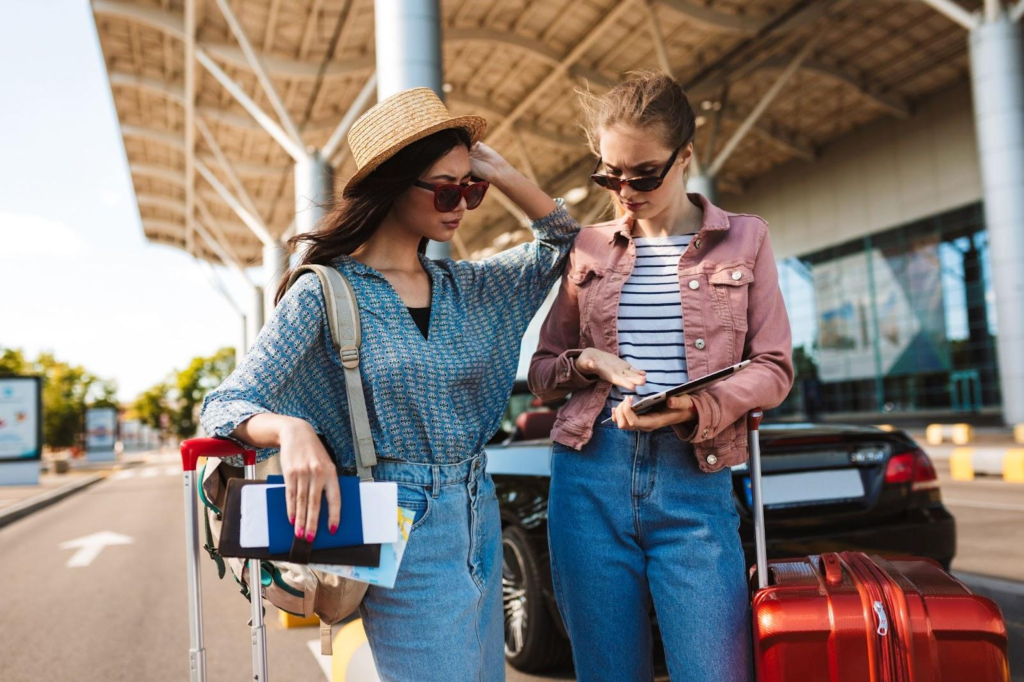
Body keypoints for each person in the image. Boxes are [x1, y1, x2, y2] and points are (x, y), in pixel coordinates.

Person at [200, 87, 579, 681]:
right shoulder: (326, 291)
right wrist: (291, 430)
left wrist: (500, 171)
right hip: (398, 521)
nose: (463, 203)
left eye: (471, 187)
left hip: (479, 509)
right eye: (448, 188)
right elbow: (223, 404)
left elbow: (565, 244)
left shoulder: (468, 288)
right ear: (395, 184)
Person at [528, 71, 794, 681]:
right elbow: (545, 370)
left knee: (715, 670)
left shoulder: (746, 238)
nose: (625, 190)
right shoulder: (588, 249)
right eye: (609, 174)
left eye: (643, 174)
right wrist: (586, 362)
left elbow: (774, 367)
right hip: (589, 476)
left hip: (693, 477)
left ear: (686, 158)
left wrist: (698, 408)